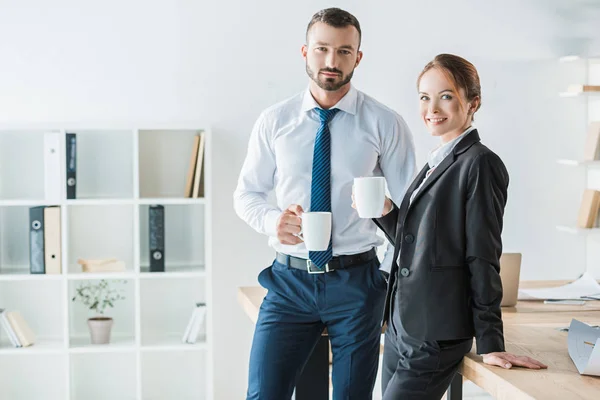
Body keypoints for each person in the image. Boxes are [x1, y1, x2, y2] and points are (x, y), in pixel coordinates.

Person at [233, 7, 417, 400]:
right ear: (305, 52)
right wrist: (272, 221)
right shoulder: (275, 120)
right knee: (264, 394)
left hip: (358, 282)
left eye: (344, 52)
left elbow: (411, 213)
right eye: (322, 49)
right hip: (289, 282)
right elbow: (246, 193)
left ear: (358, 57)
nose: (332, 62)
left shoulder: (384, 123)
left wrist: (385, 274)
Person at [362, 53, 548, 399]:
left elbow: (483, 255)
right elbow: (421, 246)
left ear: (473, 102)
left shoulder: (480, 164)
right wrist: (386, 211)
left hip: (435, 331)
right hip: (404, 324)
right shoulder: (437, 162)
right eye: (424, 96)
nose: (431, 107)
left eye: (445, 96)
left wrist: (491, 341)